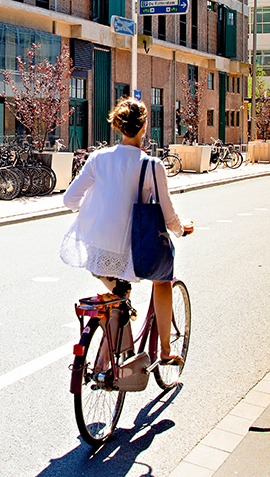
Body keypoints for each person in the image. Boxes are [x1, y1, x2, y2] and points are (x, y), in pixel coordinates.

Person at [60, 98, 194, 365]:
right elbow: (168, 216)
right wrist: (182, 230)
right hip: (134, 250)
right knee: (163, 281)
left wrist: (97, 209)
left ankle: (107, 348)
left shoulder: (98, 158)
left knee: (116, 290)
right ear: (144, 126)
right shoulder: (152, 165)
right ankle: (165, 352)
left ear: (118, 126)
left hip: (96, 248)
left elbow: (69, 200)